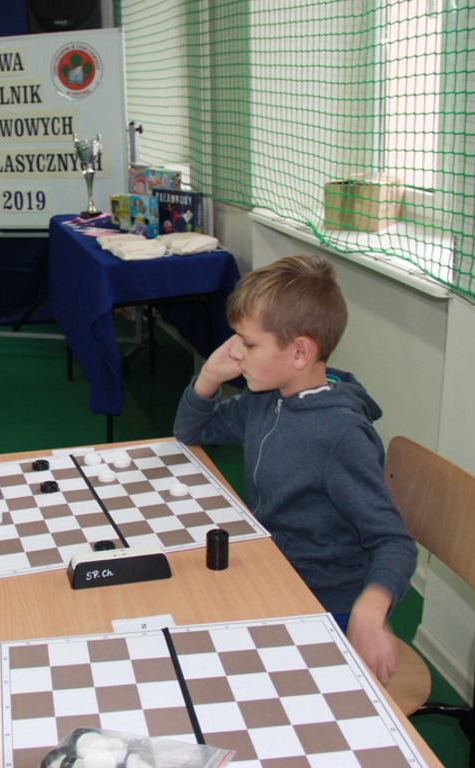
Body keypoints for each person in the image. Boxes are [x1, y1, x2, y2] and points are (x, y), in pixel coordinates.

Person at [173, 254, 415, 683]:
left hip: (321, 600)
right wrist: (209, 375)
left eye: (248, 343)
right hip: (271, 568)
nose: (235, 351)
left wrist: (369, 609)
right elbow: (191, 431)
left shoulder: (341, 435)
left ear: (300, 351)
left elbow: (394, 541)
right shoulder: (267, 397)